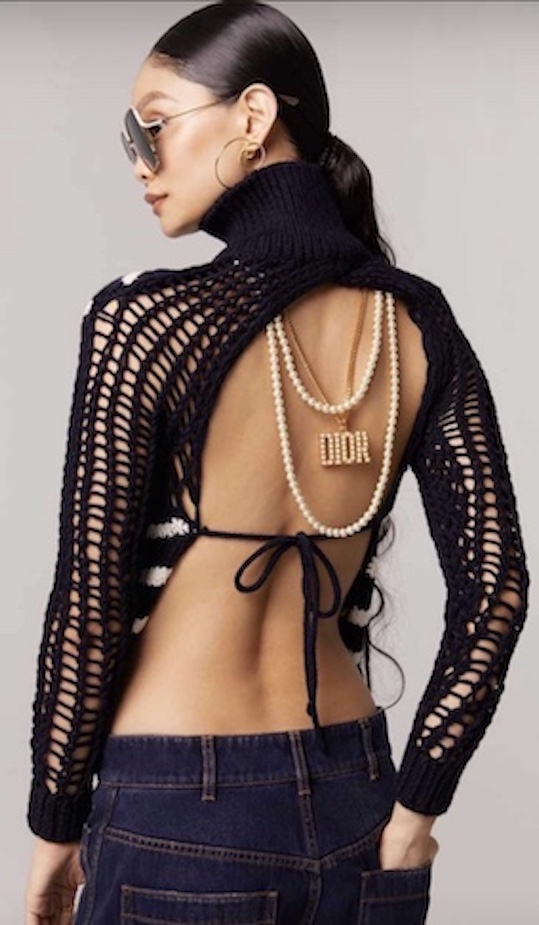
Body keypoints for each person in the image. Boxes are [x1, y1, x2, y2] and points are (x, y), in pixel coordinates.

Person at [24, 2, 528, 923]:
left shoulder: (148, 324)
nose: (139, 161)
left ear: (252, 116)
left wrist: (54, 826)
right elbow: (495, 589)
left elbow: (89, 607)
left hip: (178, 809)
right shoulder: (416, 322)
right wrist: (416, 808)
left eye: (153, 124)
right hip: (359, 794)